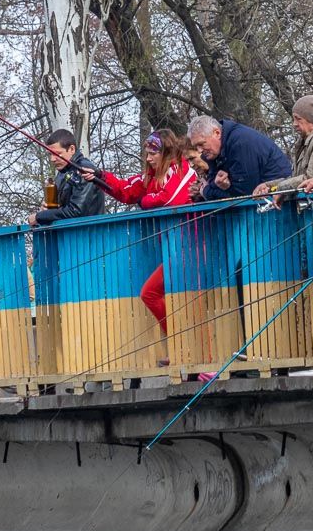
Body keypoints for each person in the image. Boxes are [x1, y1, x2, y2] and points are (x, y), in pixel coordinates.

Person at [81, 129, 196, 355]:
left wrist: (145, 201)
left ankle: (184, 347)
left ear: (166, 152)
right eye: (147, 152)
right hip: (174, 248)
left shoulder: (181, 169)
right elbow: (125, 190)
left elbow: (169, 199)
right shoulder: (151, 176)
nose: (148, 158)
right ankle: (182, 346)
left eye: (153, 153)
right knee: (153, 294)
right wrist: (99, 176)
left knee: (164, 296)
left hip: (192, 245)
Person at [254, 95, 313, 206]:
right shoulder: (311, 138)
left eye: (298, 119)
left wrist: (282, 189)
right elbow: (300, 177)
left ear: (312, 119)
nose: (294, 124)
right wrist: (270, 186)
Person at [186, 115, 291, 201]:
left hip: (276, 203)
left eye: (201, 144)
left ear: (217, 133)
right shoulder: (214, 152)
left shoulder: (241, 143)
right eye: (196, 146)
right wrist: (213, 187)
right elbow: (213, 183)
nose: (199, 150)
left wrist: (206, 191)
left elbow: (244, 194)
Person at [28, 129, 104, 227]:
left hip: (89, 235)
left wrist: (40, 216)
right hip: (71, 236)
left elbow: (76, 211)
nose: (52, 159)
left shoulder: (84, 170)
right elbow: (62, 208)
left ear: (72, 149)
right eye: (50, 154)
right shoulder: (63, 173)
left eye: (57, 154)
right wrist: (47, 210)